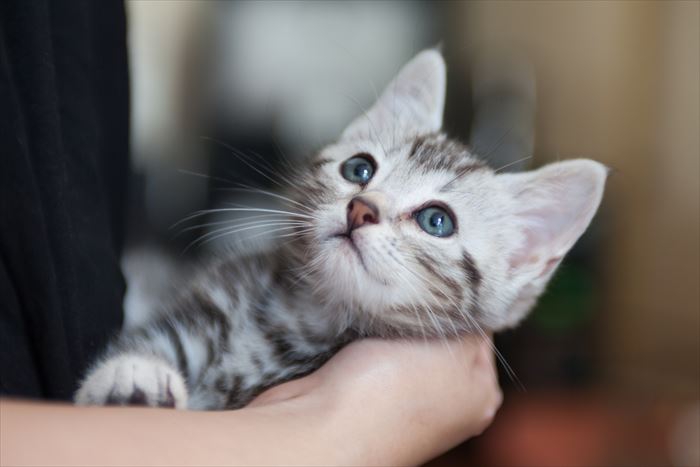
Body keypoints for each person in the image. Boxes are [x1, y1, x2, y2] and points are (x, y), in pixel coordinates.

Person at [0, 1, 501, 465]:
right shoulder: (248, 287)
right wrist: (331, 435)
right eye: (361, 170)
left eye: (436, 220)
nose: (366, 206)